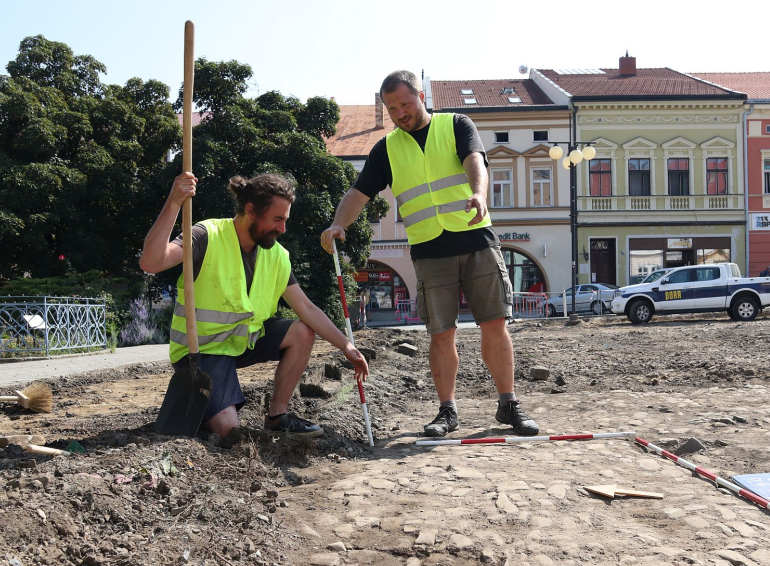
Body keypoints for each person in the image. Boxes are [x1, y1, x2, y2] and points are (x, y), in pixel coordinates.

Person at [320, 69, 538, 438]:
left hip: (475, 239)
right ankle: (447, 411)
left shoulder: (455, 124)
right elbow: (358, 193)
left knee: (494, 325)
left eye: (405, 103)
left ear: (422, 97)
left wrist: (479, 195)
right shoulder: (386, 148)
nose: (399, 113)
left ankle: (509, 404)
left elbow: (475, 160)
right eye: (391, 108)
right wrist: (338, 223)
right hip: (429, 249)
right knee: (441, 333)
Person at [141, 172, 369, 439]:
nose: (283, 229)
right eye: (277, 219)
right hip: (201, 350)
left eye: (285, 220)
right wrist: (175, 202)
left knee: (302, 331)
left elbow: (306, 309)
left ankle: (277, 417)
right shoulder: (207, 235)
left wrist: (346, 346)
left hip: (242, 343)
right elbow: (151, 262)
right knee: (230, 432)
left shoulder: (277, 255)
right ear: (251, 210)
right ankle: (206, 412)